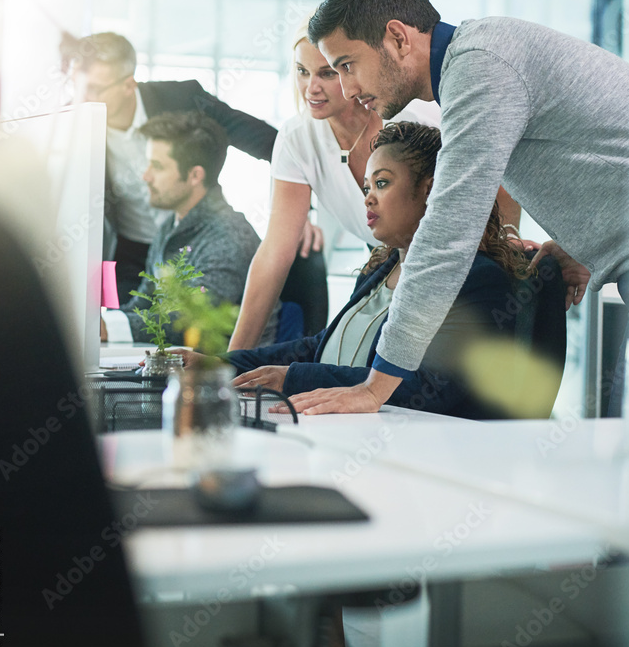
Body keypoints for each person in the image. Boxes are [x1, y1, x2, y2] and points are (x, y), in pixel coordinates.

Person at [289, 0, 629, 417]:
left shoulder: (481, 67)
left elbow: (448, 234)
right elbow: (616, 153)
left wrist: (376, 386)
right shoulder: (479, 63)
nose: (347, 89)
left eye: (347, 66)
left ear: (398, 38)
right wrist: (582, 244)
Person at [226, 122, 564, 420]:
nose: (368, 199)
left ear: (430, 191)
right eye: (366, 188)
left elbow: (429, 390)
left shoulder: (477, 278)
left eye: (382, 184)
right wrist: (221, 365)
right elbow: (322, 347)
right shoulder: (377, 270)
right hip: (334, 427)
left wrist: (293, 378)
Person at [66, 31, 319, 303]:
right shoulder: (71, 128)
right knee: (117, 328)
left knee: (193, 328)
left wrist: (295, 212)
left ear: (128, 85)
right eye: (76, 86)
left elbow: (274, 145)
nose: (81, 98)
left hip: (199, 244)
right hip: (130, 254)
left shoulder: (184, 99)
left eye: (94, 88)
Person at [101, 112, 278, 346]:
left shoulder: (228, 238)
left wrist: (110, 327)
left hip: (220, 373)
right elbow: (145, 304)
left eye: (158, 166)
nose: (146, 176)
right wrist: (104, 322)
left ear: (195, 175)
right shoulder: (171, 226)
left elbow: (190, 322)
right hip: (180, 361)